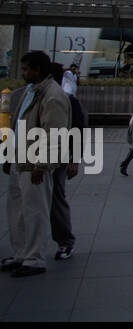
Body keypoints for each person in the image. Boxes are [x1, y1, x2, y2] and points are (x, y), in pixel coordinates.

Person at [2, 52, 69, 277]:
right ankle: (22, 254)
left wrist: (42, 164)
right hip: (20, 159)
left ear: (38, 70)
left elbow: (55, 134)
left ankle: (34, 259)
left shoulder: (52, 95)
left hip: (34, 163)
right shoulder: (31, 92)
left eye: (26, 70)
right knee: (17, 210)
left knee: (34, 211)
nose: (22, 74)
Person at [48, 63, 86, 261]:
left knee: (56, 197)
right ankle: (26, 249)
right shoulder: (29, 94)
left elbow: (78, 127)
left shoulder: (67, 98)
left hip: (57, 155)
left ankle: (65, 241)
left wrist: (74, 158)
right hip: (31, 154)